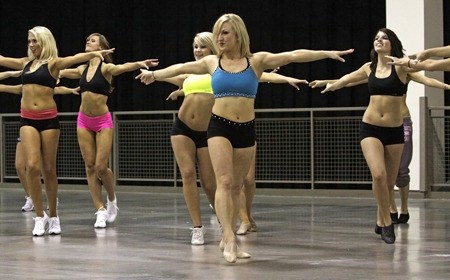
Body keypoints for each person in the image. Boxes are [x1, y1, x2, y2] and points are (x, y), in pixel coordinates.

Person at [136, 13, 353, 262]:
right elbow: (181, 68)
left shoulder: (256, 61)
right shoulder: (211, 62)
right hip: (219, 127)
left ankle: (232, 239)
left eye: (225, 32)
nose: (220, 37)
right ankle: (228, 238)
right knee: (225, 182)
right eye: (218, 33)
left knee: (237, 186)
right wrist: (156, 75)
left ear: (238, 34)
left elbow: (293, 55)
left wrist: (326, 53)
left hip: (245, 129)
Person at [161, 32, 307, 245]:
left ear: (212, 48)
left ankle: (226, 222)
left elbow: (263, 76)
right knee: (188, 174)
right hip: (183, 127)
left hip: (211, 130)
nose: (197, 51)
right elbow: (176, 73)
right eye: (195, 47)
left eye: (202, 47)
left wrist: (285, 78)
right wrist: (166, 82)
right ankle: (197, 227)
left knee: (214, 184)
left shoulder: (220, 69)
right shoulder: (191, 74)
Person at [317, 28, 448, 244]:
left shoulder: (402, 67)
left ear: (392, 44)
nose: (379, 40)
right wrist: (331, 86)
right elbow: (347, 78)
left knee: (388, 182)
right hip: (370, 127)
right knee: (378, 175)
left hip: (395, 130)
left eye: (384, 38)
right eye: (376, 38)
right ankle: (386, 222)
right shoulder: (369, 68)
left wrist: (445, 85)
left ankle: (380, 220)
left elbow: (427, 77)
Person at [0, 26, 114, 236]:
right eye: (29, 41)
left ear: (45, 42)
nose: (32, 45)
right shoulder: (25, 63)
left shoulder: (53, 64)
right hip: (27, 120)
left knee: (49, 170)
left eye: (35, 41)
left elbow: (73, 58)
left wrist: (94, 54)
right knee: (32, 167)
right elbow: (3, 59)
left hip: (48, 120)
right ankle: (40, 216)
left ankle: (53, 215)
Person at [310, 73, 450, 227]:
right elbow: (350, 80)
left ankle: (404, 207)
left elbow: (426, 79)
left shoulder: (403, 71)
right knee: (382, 171)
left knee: (402, 169)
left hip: (402, 121)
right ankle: (391, 207)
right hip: (379, 125)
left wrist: (446, 86)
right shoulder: (376, 72)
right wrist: (326, 81)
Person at [59, 33, 158, 228]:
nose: (88, 41)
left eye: (93, 40)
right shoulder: (82, 69)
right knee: (89, 166)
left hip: (102, 121)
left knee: (101, 167)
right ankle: (100, 210)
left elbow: (123, 67)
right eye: (86, 39)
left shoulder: (106, 69)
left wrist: (140, 63)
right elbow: (60, 72)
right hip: (83, 121)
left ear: (102, 47)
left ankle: (112, 200)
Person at [0, 80, 79, 212]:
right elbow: (5, 86)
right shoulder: (23, 85)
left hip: (45, 123)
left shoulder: (44, 83)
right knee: (20, 165)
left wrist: (71, 90)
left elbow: (58, 89)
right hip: (27, 124)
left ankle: (51, 198)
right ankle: (30, 196)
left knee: (45, 167)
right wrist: (12, 74)